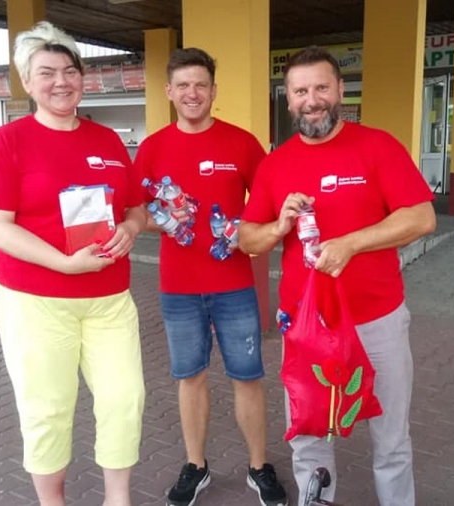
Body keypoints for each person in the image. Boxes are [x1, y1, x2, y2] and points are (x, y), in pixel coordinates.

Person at [238, 46, 437, 506]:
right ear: (288, 99)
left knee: (391, 437)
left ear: (341, 90)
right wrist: (278, 226)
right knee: (309, 437)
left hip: (377, 319)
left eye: (321, 88)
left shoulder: (377, 146)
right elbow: (249, 239)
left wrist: (351, 243)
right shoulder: (276, 164)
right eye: (300, 91)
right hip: (307, 327)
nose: (312, 100)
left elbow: (422, 217)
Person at [0, 22, 146, 506]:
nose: (61, 81)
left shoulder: (107, 141)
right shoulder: (7, 142)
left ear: (82, 78)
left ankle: (118, 499)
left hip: (109, 298)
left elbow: (135, 208)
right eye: (46, 73)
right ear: (28, 82)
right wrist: (63, 263)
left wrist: (130, 229)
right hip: (36, 300)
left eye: (70, 71)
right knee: (47, 408)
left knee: (124, 399)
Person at [133, 48, 288, 506]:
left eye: (200, 84)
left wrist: (248, 227)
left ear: (214, 91)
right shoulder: (153, 148)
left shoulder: (241, 143)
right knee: (190, 377)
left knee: (248, 377)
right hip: (178, 288)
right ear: (169, 91)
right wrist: (163, 219)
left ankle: (259, 467)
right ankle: (195, 466)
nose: (192, 93)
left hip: (235, 284)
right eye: (183, 85)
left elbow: (268, 202)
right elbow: (135, 211)